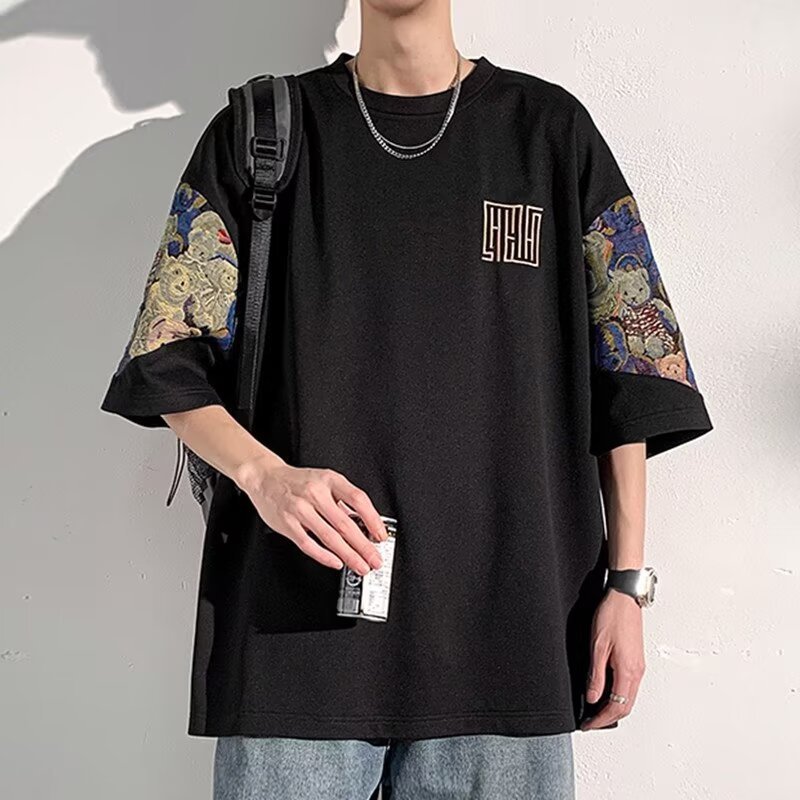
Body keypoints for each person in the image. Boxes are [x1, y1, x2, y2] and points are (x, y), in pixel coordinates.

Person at [99, 1, 714, 797]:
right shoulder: (261, 134)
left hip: (506, 640)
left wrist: (627, 586)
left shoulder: (548, 133)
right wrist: (264, 475)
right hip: (296, 643)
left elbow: (631, 367)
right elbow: (166, 353)